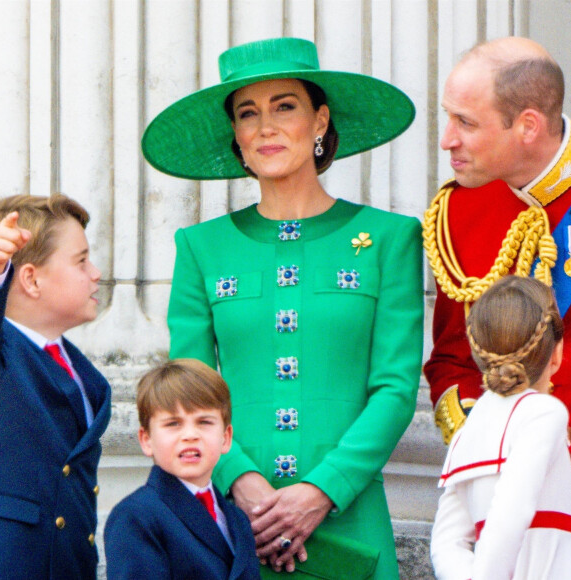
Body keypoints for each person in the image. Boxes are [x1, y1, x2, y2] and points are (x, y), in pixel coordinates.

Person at [141, 37, 424, 579]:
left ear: (319, 121)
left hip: (351, 514)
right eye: (248, 113)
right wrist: (243, 484)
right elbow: (188, 393)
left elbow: (394, 388)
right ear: (237, 138)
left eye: (284, 106)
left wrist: (322, 490)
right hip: (236, 523)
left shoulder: (389, 238)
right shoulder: (200, 248)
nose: (266, 126)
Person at [423, 36, 571, 445]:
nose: (447, 139)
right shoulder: (458, 211)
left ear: (527, 126)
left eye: (466, 122)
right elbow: (453, 361)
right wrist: (483, 441)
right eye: (448, 117)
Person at [0, 194, 111, 579]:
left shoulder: (82, 371)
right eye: (81, 261)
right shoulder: (2, 352)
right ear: (30, 278)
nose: (95, 273)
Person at [430, 276, 571, 580]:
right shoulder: (545, 413)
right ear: (557, 353)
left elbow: (447, 542)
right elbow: (511, 512)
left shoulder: (470, 427)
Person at [104, 358, 260, 580]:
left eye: (204, 422)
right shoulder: (136, 516)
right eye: (173, 424)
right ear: (146, 440)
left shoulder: (237, 519)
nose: (190, 435)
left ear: (226, 438)